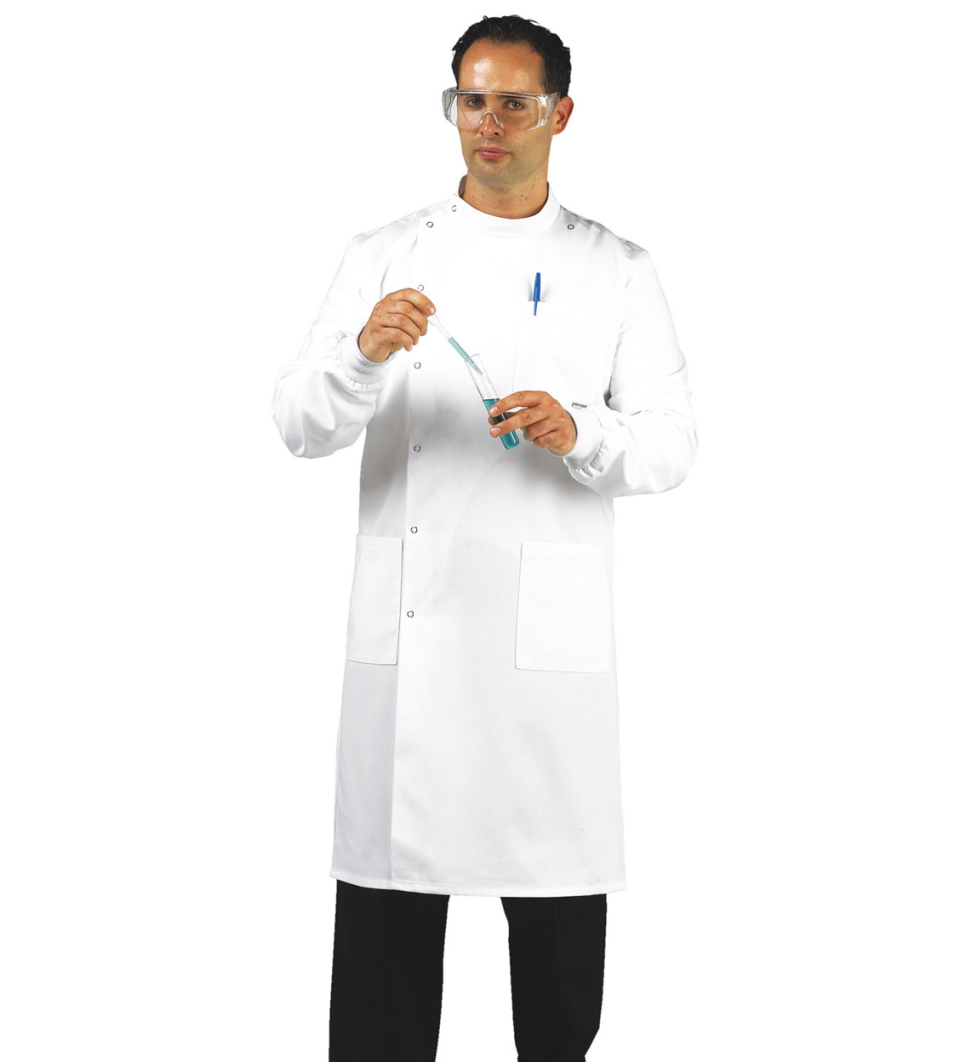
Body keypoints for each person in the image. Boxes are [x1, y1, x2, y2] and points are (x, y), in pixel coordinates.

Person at [271, 14, 698, 1061]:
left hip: (542, 669)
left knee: (556, 960)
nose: (490, 122)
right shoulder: (382, 255)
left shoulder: (617, 267)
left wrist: (581, 430)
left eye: (515, 101)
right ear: (451, 106)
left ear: (562, 113)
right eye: (472, 99)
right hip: (413, 642)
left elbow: (672, 445)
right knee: (384, 958)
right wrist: (362, 356)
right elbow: (299, 426)